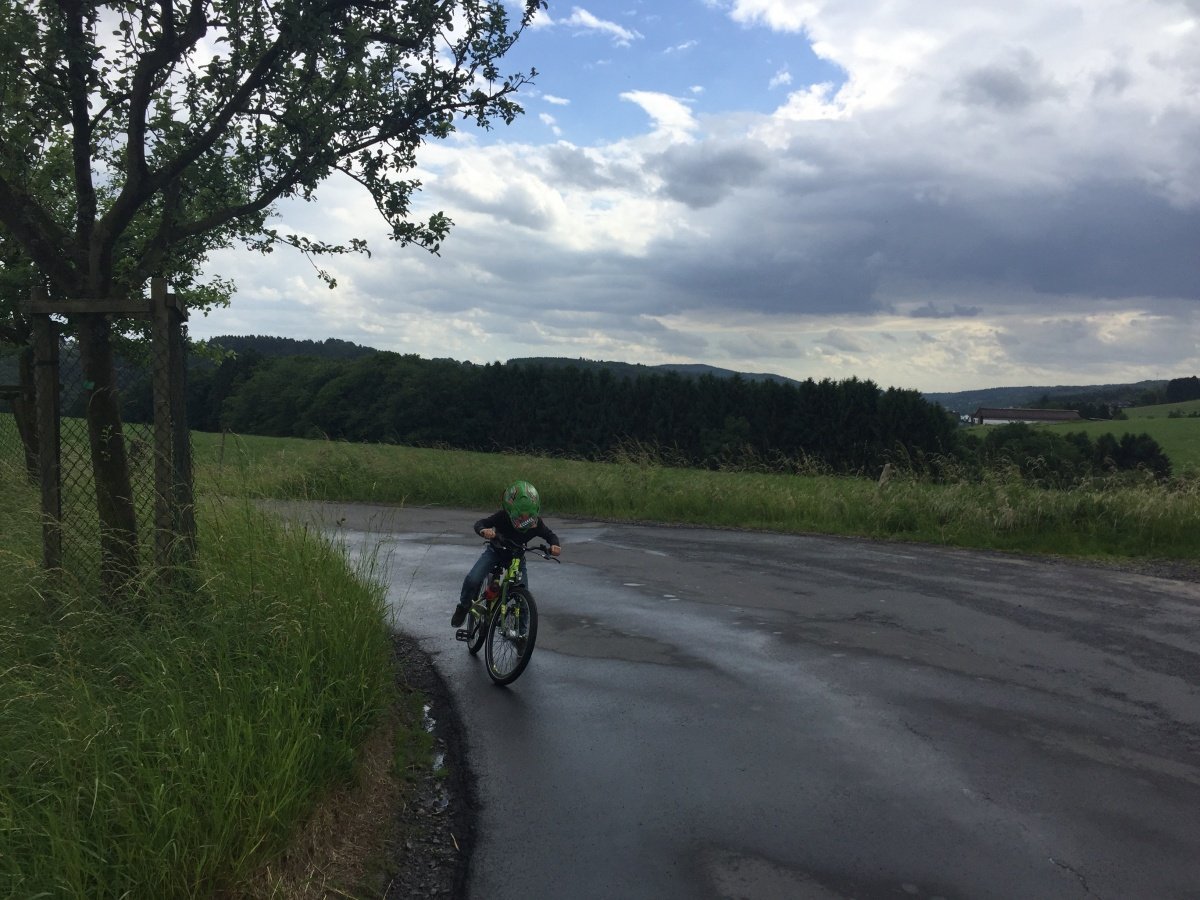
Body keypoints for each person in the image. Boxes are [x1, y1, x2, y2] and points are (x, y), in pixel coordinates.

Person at [451, 480, 562, 628]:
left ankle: (522, 636)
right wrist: (484, 531)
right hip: (495, 552)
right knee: (473, 579)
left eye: (528, 516)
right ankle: (463, 607)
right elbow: (481, 523)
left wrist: (555, 545)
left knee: (523, 598)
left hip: (517, 557)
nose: (524, 520)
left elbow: (550, 535)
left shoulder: (536, 523)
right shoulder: (502, 517)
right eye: (519, 517)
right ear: (510, 511)